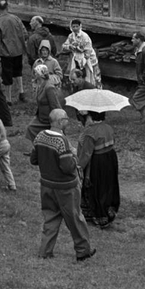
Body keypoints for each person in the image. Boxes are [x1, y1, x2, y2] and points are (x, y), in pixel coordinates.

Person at [29, 108, 95, 262]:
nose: (68, 121)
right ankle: (83, 251)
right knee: (75, 218)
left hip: (46, 185)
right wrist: (73, 156)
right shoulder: (61, 141)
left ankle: (45, 251)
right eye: (66, 118)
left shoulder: (40, 136)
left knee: (50, 218)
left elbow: (33, 160)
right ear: (59, 122)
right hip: (66, 187)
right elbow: (67, 167)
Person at [76, 111, 120, 228]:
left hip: (97, 162)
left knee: (97, 187)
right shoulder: (108, 128)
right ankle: (110, 210)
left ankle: (98, 214)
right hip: (111, 159)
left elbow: (86, 153)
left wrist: (79, 168)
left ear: (90, 116)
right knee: (108, 185)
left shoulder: (90, 132)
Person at [0, 0, 29, 104]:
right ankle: (21, 92)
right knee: (18, 72)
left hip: (5, 53)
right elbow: (25, 33)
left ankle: (8, 99)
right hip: (18, 50)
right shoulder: (16, 18)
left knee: (6, 75)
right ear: (7, 8)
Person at [26, 61, 65, 141]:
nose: (35, 74)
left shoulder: (49, 87)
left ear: (40, 74)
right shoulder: (40, 85)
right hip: (41, 117)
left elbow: (54, 105)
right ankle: (37, 148)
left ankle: (40, 148)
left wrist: (56, 120)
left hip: (48, 120)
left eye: (36, 73)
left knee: (32, 128)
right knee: (30, 128)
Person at [62, 18, 102, 91]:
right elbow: (64, 46)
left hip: (88, 58)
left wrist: (82, 52)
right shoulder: (71, 36)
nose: (75, 28)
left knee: (92, 75)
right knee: (76, 74)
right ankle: (77, 89)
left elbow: (88, 48)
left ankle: (95, 89)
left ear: (80, 26)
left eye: (77, 26)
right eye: (73, 27)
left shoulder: (84, 36)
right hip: (77, 59)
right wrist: (70, 47)